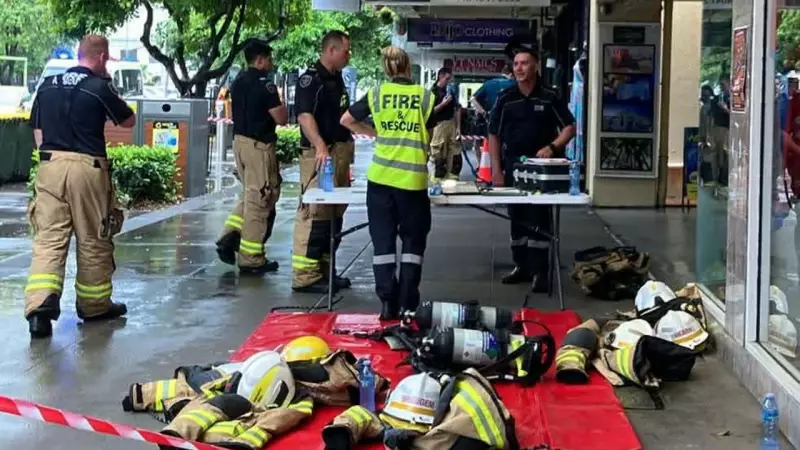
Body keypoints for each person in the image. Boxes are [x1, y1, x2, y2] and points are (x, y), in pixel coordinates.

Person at [25, 35, 136, 338]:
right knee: (93, 238)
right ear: (100, 58)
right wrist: (110, 86)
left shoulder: (48, 85)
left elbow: (37, 129)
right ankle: (94, 306)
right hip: (87, 168)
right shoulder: (99, 87)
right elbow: (128, 121)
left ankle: (39, 309)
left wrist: (52, 158)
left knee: (48, 238)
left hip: (50, 165)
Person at [340, 46, 437, 320]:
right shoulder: (424, 96)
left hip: (380, 180)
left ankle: (387, 303)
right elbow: (431, 130)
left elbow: (346, 119)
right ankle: (408, 302)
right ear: (408, 67)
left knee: (383, 244)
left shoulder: (377, 94)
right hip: (412, 182)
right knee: (412, 243)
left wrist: (373, 132)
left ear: (386, 69)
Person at [488, 46, 576, 292]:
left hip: (542, 170)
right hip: (513, 167)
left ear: (536, 67)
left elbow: (569, 127)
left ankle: (541, 271)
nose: (519, 68)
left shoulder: (549, 96)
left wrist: (553, 146)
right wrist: (496, 169)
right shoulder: (506, 98)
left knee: (539, 219)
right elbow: (493, 134)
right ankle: (522, 266)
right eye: (516, 64)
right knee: (517, 218)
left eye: (524, 63)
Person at [216, 41, 288, 274]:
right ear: (259, 59)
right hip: (259, 147)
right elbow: (281, 118)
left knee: (252, 194)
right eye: (269, 59)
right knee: (261, 200)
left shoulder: (237, 81)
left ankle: (229, 235)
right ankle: (251, 257)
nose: (271, 63)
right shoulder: (265, 85)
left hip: (240, 143)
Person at [292, 30, 354, 294]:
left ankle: (325, 270)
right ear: (331, 50)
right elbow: (304, 116)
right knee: (314, 212)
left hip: (338, 153)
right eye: (345, 50)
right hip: (321, 155)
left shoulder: (336, 78)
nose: (348, 55)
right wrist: (319, 145)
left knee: (334, 213)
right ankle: (305, 275)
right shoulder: (311, 80)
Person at [430, 67, 462, 181]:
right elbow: (430, 112)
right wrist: (443, 104)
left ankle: (452, 177)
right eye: (447, 78)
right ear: (440, 76)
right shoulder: (433, 92)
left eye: (450, 79)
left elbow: (457, 108)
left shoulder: (450, 91)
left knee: (454, 150)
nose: (448, 81)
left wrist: (458, 127)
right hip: (438, 125)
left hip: (451, 124)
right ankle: (438, 178)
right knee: (438, 151)